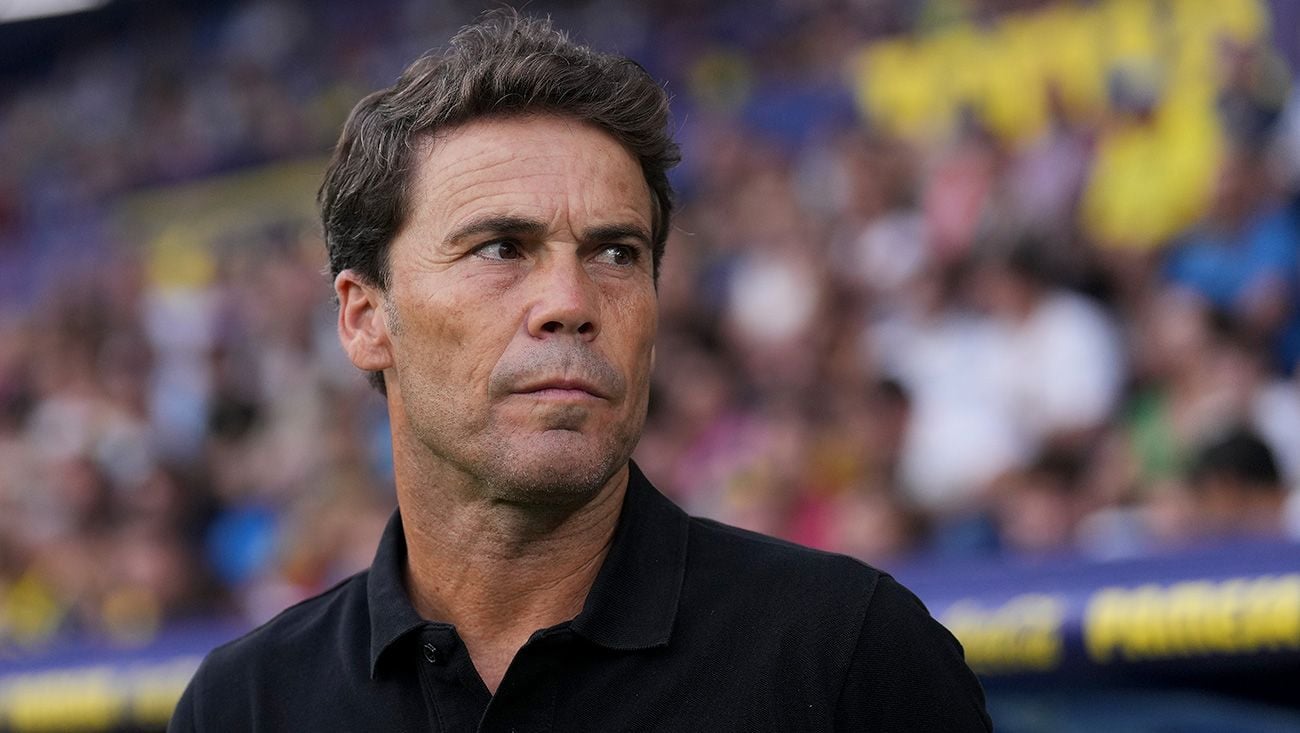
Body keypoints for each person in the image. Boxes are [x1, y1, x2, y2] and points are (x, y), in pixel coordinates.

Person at [168, 11, 991, 731]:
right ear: (363, 317)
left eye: (616, 253)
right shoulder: (245, 704)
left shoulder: (849, 653)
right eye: (501, 248)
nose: (570, 301)